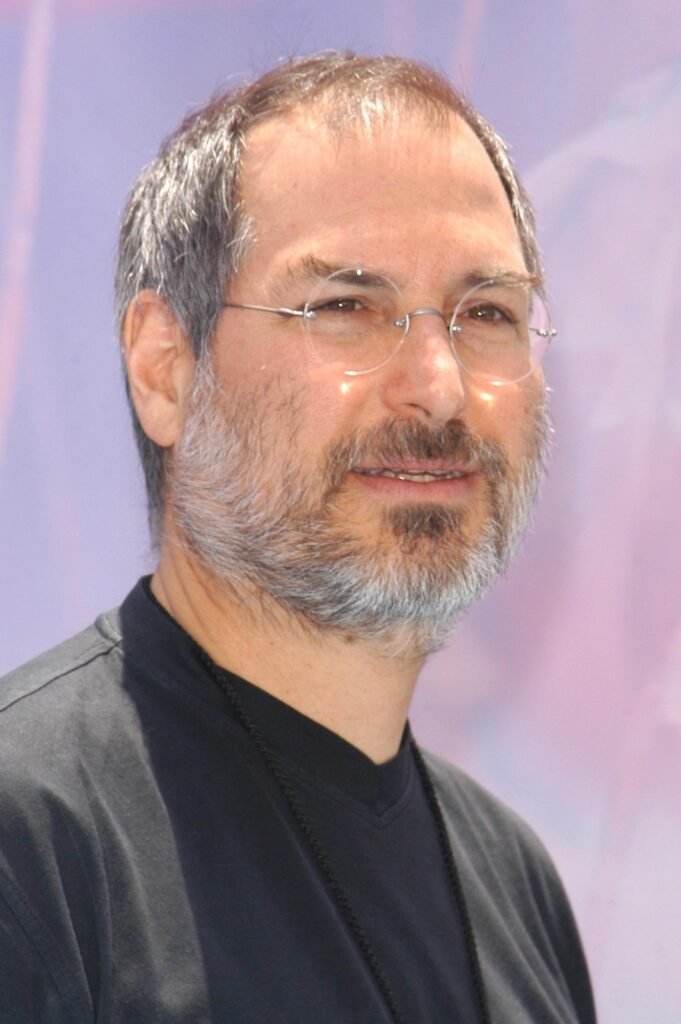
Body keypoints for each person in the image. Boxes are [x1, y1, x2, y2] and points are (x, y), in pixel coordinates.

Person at [0, 52, 596, 1023]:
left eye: (487, 312)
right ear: (163, 370)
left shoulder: (514, 882)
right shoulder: (30, 840)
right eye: (345, 307)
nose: (438, 387)